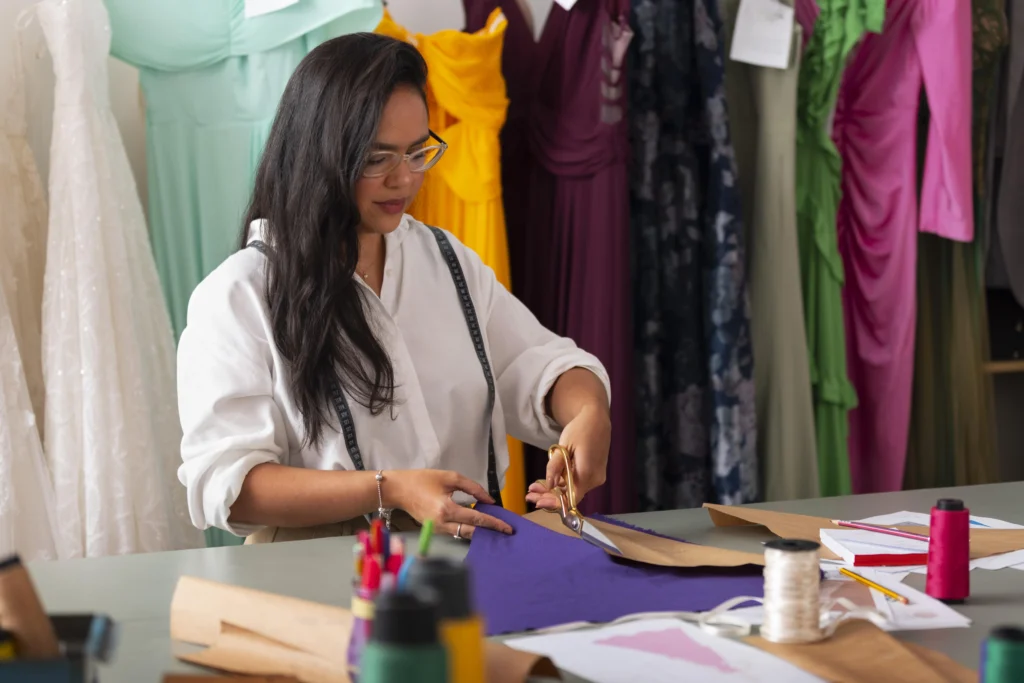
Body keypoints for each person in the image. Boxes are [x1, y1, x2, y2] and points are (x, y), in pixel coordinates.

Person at [175, 33, 613, 544]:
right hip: (318, 576)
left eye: (416, 151)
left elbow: (538, 362)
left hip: (465, 564)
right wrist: (390, 490)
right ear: (319, 155)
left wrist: (589, 412)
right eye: (377, 158)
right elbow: (227, 483)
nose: (404, 179)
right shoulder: (238, 296)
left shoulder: (446, 262)